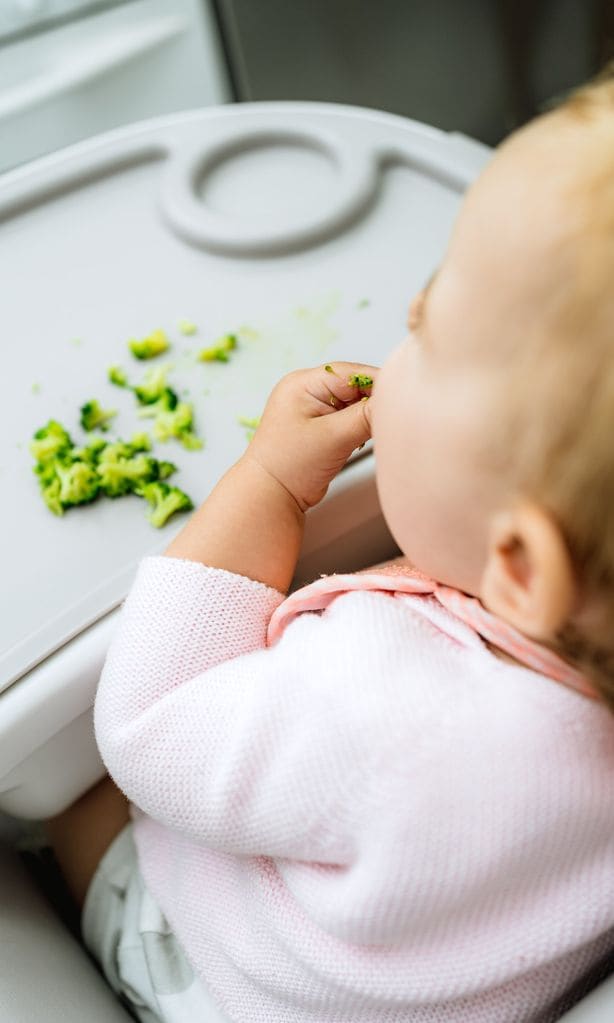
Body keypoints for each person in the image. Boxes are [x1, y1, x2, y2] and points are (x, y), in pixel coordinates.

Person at [45, 66, 614, 1023]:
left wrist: (268, 482)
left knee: (68, 805)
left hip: (238, 984)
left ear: (518, 568)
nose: (398, 330)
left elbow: (149, 720)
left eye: (428, 334)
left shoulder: (385, 702)